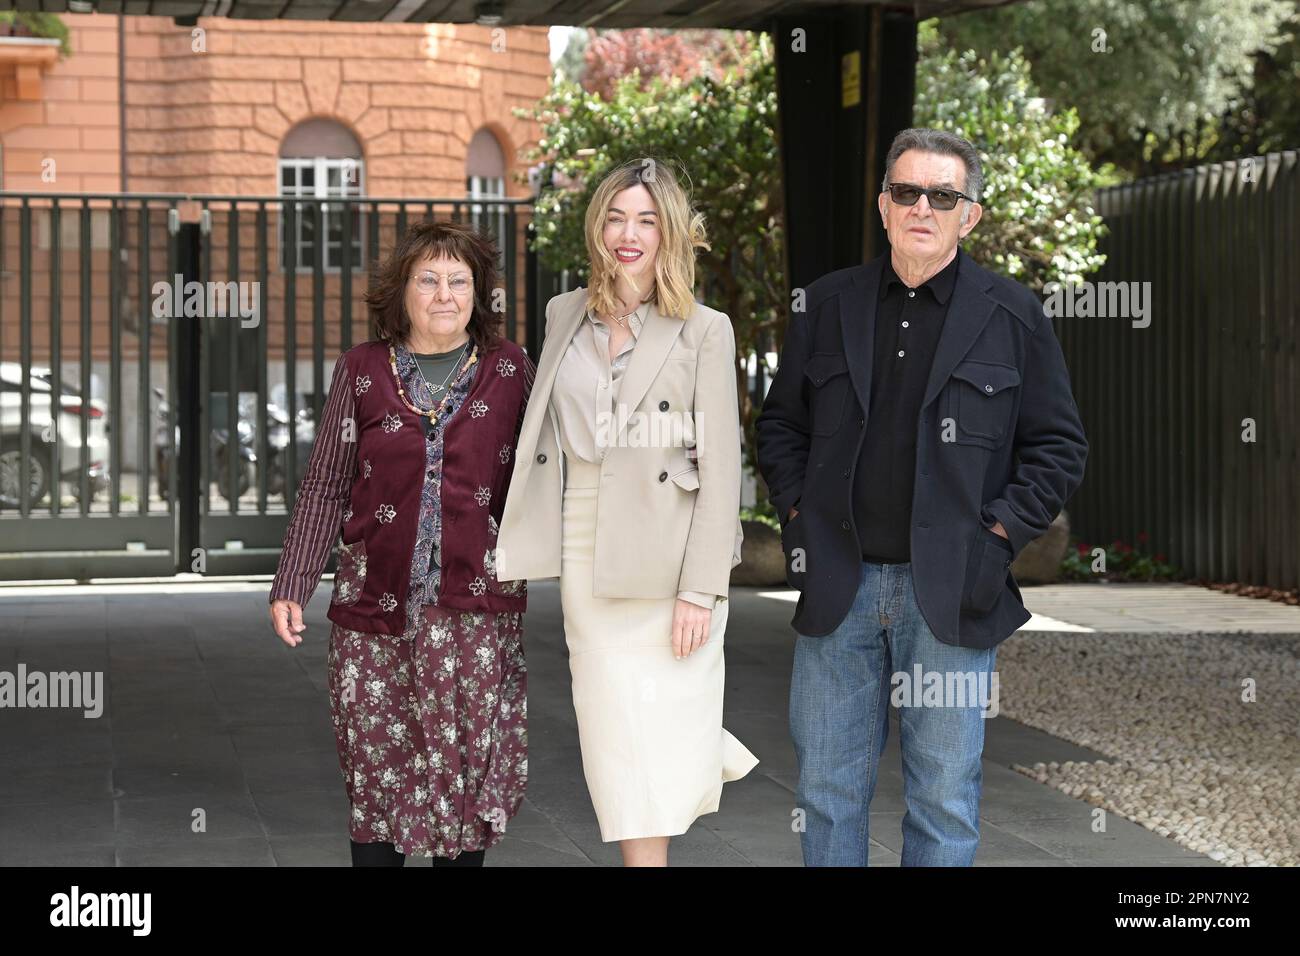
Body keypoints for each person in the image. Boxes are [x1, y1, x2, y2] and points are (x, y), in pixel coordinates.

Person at [756, 127, 1088, 866]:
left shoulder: (1012, 315)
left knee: (942, 799)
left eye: (943, 195)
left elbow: (1060, 446)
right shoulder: (830, 306)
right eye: (907, 192)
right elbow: (780, 427)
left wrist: (997, 536)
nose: (922, 208)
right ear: (883, 205)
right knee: (825, 792)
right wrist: (800, 518)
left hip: (951, 595)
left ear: (969, 214)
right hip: (838, 588)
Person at [496, 157, 758, 867]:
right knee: (615, 734)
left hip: (670, 555)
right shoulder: (561, 314)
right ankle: (702, 759)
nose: (628, 233)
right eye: (616, 217)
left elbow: (721, 467)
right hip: (586, 552)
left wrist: (701, 587)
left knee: (663, 726)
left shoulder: (705, 329)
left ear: (668, 232)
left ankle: (687, 783)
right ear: (597, 227)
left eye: (646, 219)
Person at [268, 220, 534, 867]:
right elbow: (327, 482)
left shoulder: (511, 369)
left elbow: (551, 473)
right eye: (428, 279)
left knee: (465, 786)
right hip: (374, 615)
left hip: (475, 615)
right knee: (378, 781)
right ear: (402, 291)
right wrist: (292, 582)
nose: (444, 295)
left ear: (479, 292)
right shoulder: (362, 368)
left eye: (459, 281)